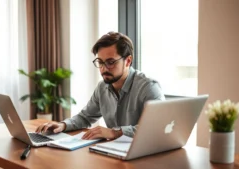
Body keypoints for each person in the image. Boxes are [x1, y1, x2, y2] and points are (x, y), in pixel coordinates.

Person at [36, 32, 165, 140]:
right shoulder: (102, 87)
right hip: (115, 153)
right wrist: (63, 125)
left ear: (128, 61)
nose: (103, 69)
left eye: (110, 62)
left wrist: (116, 132)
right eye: (100, 62)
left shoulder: (149, 87)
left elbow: (157, 127)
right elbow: (85, 117)